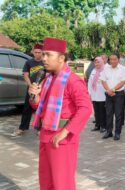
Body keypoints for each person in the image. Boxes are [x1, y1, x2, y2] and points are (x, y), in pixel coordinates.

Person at [29, 37, 92, 190]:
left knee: (62, 183)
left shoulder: (72, 81)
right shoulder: (47, 79)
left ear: (61, 58)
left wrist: (65, 132)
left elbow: (86, 108)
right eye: (43, 54)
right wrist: (34, 96)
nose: (44, 59)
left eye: (48, 55)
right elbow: (37, 106)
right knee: (46, 181)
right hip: (45, 135)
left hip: (62, 139)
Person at [12, 44, 44, 137]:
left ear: (42, 53)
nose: (37, 54)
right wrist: (31, 86)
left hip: (42, 90)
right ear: (33, 52)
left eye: (39, 52)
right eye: (36, 52)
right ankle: (22, 128)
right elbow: (25, 75)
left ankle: (40, 129)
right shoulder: (28, 62)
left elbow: (47, 76)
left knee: (41, 109)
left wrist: (40, 87)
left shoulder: (44, 63)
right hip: (30, 89)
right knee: (27, 109)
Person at [100, 53, 125, 140]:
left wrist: (112, 90)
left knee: (118, 114)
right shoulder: (105, 69)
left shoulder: (123, 69)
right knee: (108, 113)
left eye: (114, 59)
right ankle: (109, 132)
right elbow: (103, 80)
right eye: (111, 59)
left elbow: (123, 82)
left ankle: (117, 133)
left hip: (119, 94)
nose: (112, 61)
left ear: (118, 59)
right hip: (108, 94)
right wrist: (108, 90)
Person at [88, 56, 106, 133]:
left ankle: (103, 126)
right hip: (94, 95)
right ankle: (97, 125)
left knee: (102, 112)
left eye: (98, 62)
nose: (97, 64)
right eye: (95, 62)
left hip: (103, 95)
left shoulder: (105, 71)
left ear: (102, 62)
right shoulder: (93, 71)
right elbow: (90, 83)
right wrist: (89, 93)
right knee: (96, 111)